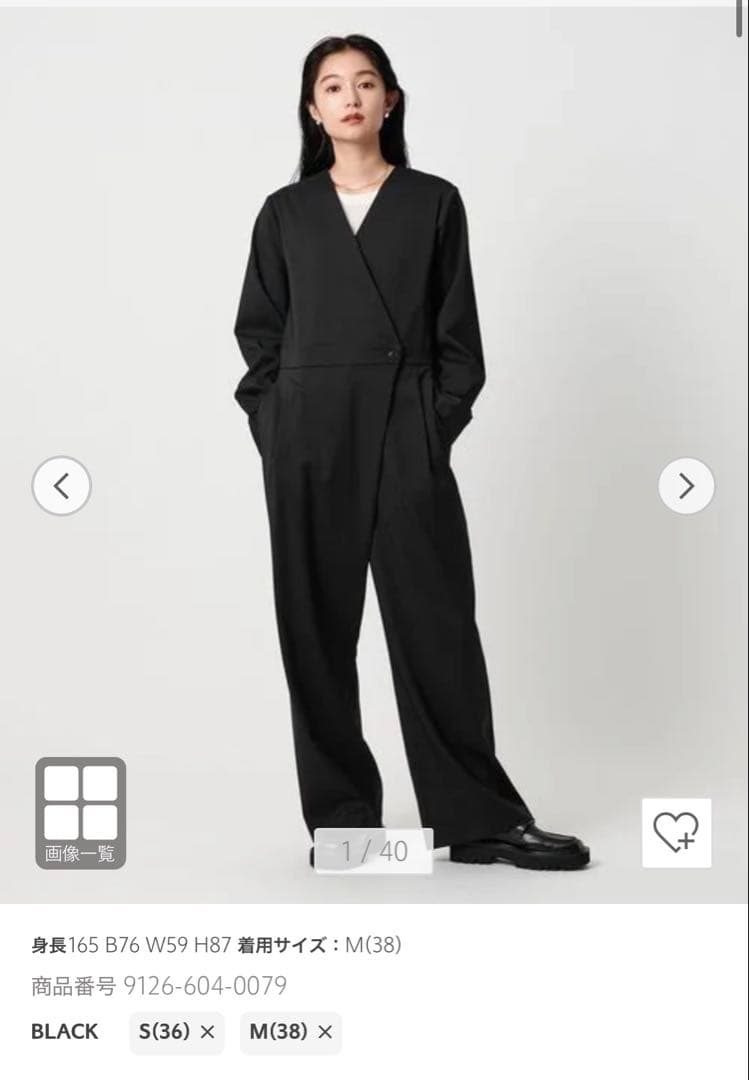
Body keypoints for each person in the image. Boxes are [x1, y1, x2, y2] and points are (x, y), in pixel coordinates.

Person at [233, 33, 590, 871]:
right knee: (315, 635)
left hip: (404, 431)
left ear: (390, 99)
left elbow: (459, 341)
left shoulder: (432, 201)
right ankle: (344, 827)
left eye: (365, 82)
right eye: (332, 86)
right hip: (309, 441)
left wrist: (429, 428)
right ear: (312, 109)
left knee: (437, 628)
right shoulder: (285, 213)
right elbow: (259, 337)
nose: (350, 97)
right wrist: (279, 427)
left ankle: (478, 819)